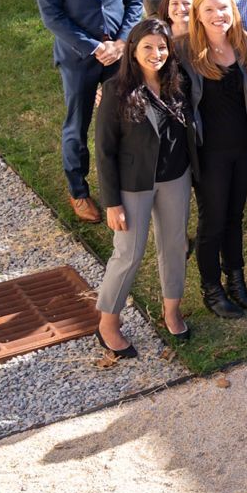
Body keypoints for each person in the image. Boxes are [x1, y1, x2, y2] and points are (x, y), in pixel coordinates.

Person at [35, 0, 143, 222]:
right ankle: (78, 191)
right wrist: (95, 47)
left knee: (124, 119)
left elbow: (134, 0)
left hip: (119, 54)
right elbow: (52, 17)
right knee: (77, 124)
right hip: (79, 57)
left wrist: (123, 42)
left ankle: (127, 183)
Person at [93, 18, 194, 356]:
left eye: (162, 47)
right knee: (128, 254)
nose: (156, 53)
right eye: (148, 47)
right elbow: (104, 151)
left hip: (175, 178)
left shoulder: (180, 84)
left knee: (174, 246)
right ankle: (108, 322)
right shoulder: (115, 90)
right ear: (133, 49)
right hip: (132, 186)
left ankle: (171, 310)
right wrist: (111, 203)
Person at [178, 0, 247, 319]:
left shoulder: (245, 45)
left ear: (233, 10)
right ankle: (211, 289)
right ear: (197, 13)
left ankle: (237, 281)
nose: (218, 15)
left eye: (223, 8)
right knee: (212, 221)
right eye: (209, 9)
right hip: (208, 152)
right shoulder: (183, 50)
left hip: (242, 147)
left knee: (235, 217)